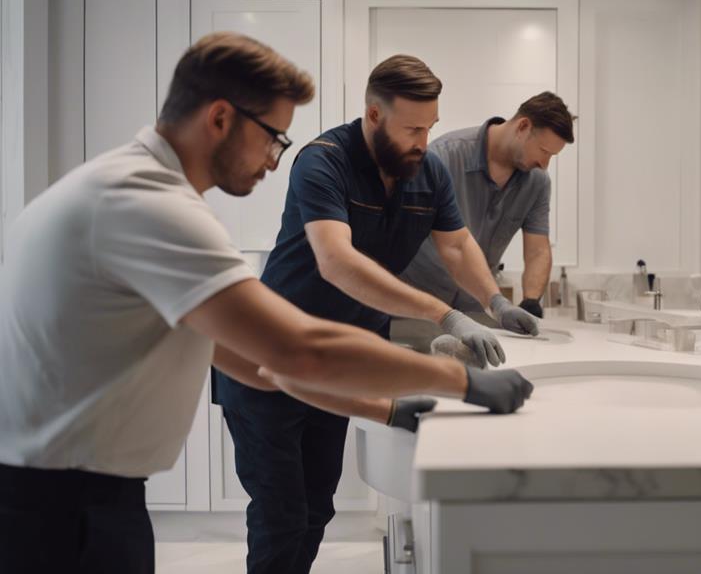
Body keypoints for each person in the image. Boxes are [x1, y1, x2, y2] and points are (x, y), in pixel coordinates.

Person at [0, 33, 532, 574]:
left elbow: (253, 363)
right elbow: (298, 349)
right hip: (61, 505)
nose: (276, 160)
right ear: (221, 119)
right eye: (274, 136)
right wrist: (461, 382)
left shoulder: (126, 188)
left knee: (308, 512)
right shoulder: (149, 207)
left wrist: (387, 408)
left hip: (73, 493)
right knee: (281, 517)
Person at [213, 53, 541, 574]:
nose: (423, 141)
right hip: (269, 359)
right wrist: (445, 315)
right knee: (281, 516)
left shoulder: (427, 171)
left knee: (316, 507)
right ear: (372, 116)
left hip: (343, 363)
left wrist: (495, 302)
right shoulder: (323, 161)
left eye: (429, 126)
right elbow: (336, 263)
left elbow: (456, 247)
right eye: (412, 128)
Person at [399, 92, 575, 318]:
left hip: (477, 308)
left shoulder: (537, 183)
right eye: (544, 151)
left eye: (553, 156)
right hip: (416, 306)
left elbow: (537, 250)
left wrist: (531, 300)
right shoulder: (443, 157)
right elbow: (403, 233)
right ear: (523, 126)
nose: (544, 164)